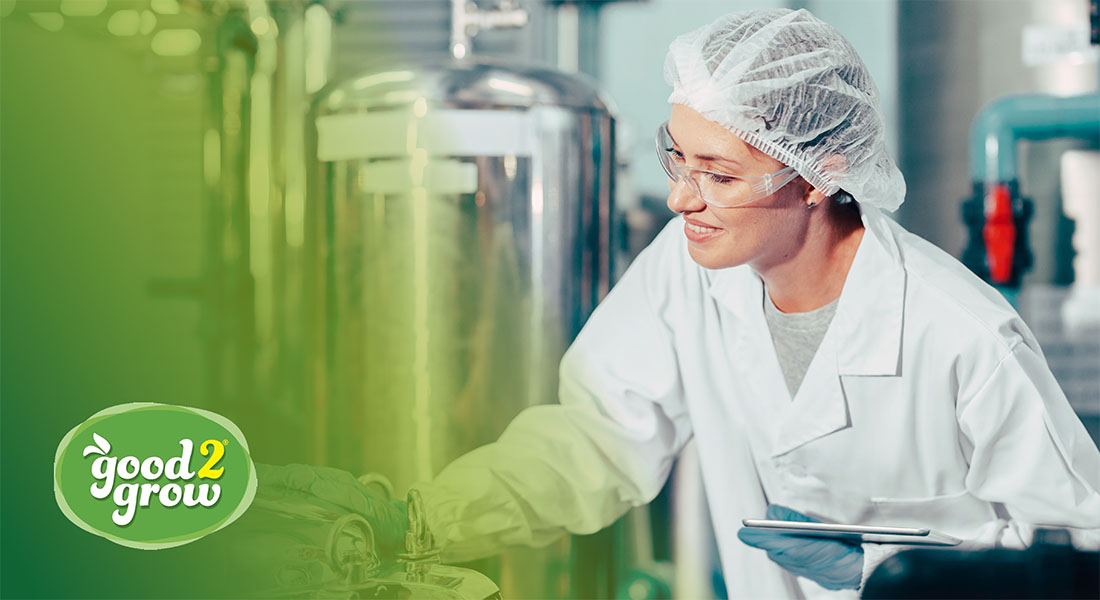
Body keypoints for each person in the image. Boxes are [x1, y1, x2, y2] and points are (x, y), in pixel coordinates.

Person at [261, 8, 1100, 598]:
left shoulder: (963, 335)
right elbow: (599, 436)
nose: (680, 199)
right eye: (677, 160)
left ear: (818, 176)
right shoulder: (693, 266)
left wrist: (904, 574)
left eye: (720, 175)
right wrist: (421, 519)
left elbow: (1078, 554)